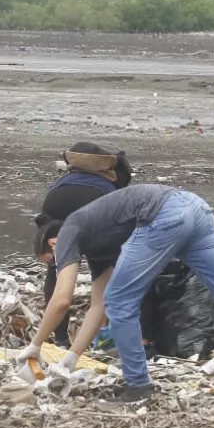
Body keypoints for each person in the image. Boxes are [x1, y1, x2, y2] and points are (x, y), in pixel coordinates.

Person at [25, 185, 214, 403]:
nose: (58, 267)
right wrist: (71, 358)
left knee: (121, 301)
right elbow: (98, 305)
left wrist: (35, 345)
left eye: (52, 263)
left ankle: (137, 386)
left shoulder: (68, 230)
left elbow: (61, 301)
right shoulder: (96, 245)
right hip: (195, 207)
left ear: (53, 244)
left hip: (164, 214)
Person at [37, 142, 132, 347]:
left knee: (56, 270)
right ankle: (106, 332)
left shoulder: (68, 177)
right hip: (97, 204)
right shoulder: (113, 181)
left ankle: (60, 339)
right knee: (106, 268)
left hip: (55, 200)